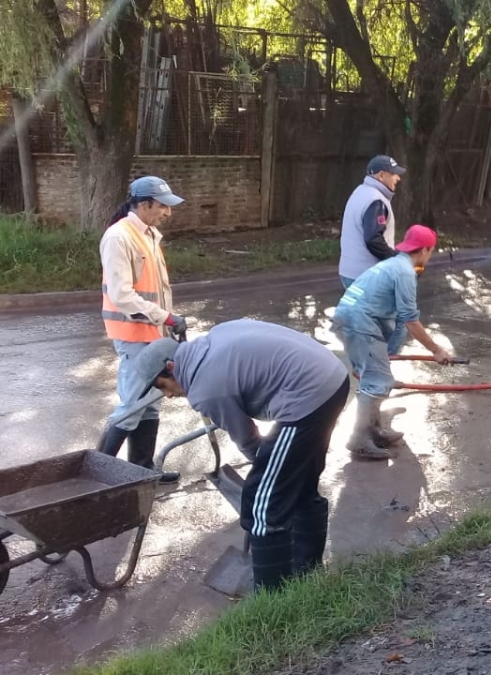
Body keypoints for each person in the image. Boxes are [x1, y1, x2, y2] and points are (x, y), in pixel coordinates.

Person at [120, 319, 351, 592]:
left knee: (262, 503)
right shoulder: (214, 338)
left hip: (308, 396)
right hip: (332, 378)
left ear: (171, 367)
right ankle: (307, 575)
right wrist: (280, 469)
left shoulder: (208, 389)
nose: (167, 396)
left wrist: (270, 472)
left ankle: (273, 597)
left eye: (161, 386)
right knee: (298, 485)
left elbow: (249, 440)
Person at [94, 176, 187, 485]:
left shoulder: (147, 235)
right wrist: (166, 317)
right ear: (145, 204)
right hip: (133, 334)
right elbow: (122, 295)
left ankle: (142, 470)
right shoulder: (119, 236)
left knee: (149, 403)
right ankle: (95, 476)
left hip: (152, 334)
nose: (167, 212)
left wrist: (166, 321)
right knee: (133, 403)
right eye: (163, 206)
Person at [332, 224, 454, 461]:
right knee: (376, 381)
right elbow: (410, 320)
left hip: (350, 317)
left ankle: (374, 430)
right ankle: (358, 438)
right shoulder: (405, 272)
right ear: (425, 250)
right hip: (359, 323)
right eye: (431, 251)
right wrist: (436, 350)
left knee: (376, 378)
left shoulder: (393, 264)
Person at [339, 155, 406, 288]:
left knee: (358, 309)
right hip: (367, 276)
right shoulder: (376, 201)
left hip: (350, 272)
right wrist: (395, 258)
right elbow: (373, 239)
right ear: (381, 175)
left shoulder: (360, 192)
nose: (398, 178)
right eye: (394, 174)